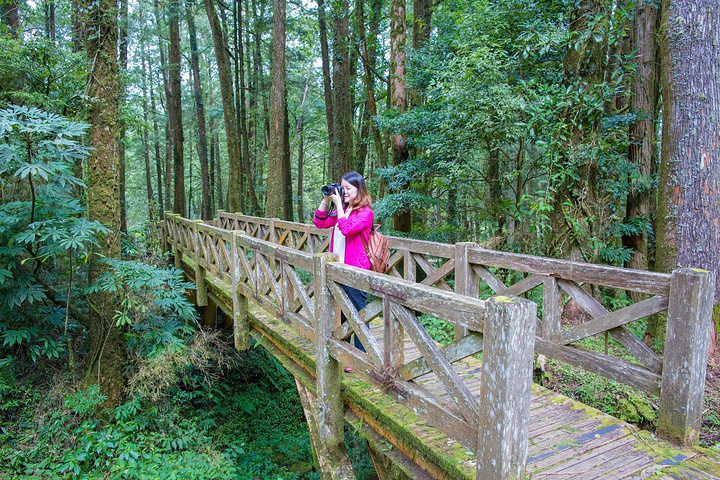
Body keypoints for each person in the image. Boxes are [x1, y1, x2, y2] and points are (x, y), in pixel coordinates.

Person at [313, 171, 373, 368]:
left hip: (355, 269)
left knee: (358, 313)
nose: (344, 192)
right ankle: (347, 355)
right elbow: (320, 223)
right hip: (337, 268)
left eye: (348, 188)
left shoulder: (365, 212)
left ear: (359, 189)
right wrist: (325, 199)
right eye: (342, 188)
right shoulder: (344, 209)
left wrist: (339, 205)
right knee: (342, 313)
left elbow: (346, 229)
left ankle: (362, 357)